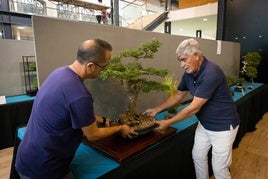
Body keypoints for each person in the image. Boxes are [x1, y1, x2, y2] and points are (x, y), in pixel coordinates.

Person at [15, 39, 138, 179]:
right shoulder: (80, 95)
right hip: (45, 169)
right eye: (104, 67)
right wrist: (121, 128)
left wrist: (101, 119)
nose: (105, 70)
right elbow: (93, 134)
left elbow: (71, 108)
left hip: (27, 157)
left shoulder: (59, 73)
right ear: (91, 66)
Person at [144, 38, 239, 179]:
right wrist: (156, 110)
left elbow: (194, 107)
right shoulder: (189, 72)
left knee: (219, 168)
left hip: (223, 126)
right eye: (179, 61)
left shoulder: (211, 72)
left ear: (196, 55)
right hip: (205, 124)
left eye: (184, 59)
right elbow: (178, 95)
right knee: (198, 156)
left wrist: (168, 123)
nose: (182, 65)